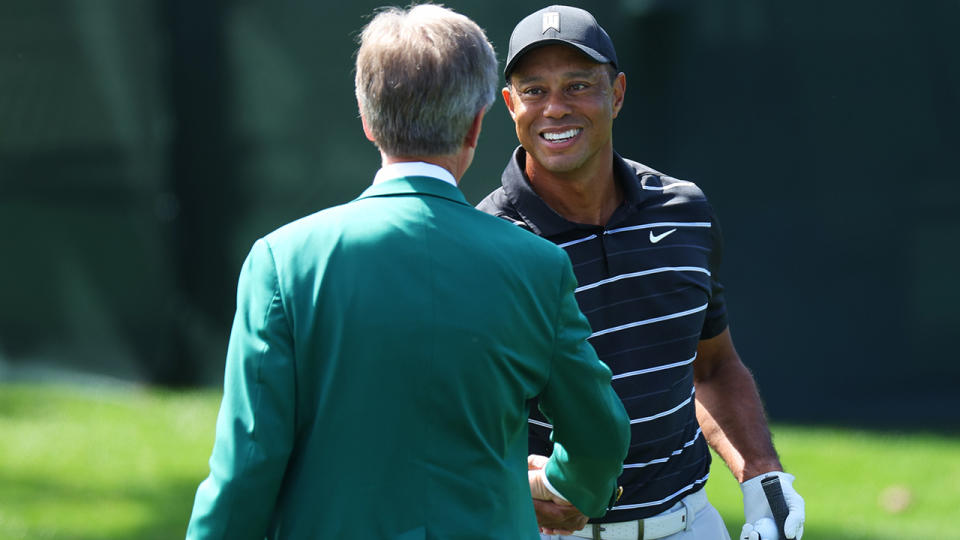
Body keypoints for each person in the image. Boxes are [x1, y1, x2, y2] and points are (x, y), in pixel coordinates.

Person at [185, 4, 631, 539]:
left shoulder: (284, 261)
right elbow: (599, 434)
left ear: (367, 117)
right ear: (476, 123)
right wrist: (574, 489)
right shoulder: (537, 266)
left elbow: (247, 466)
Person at [477, 5, 806, 540]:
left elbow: (713, 368)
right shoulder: (484, 242)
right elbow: (451, 418)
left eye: (579, 85)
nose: (555, 108)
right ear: (511, 104)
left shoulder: (684, 210)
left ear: (618, 93)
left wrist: (762, 475)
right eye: (535, 91)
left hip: (688, 522)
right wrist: (514, 481)